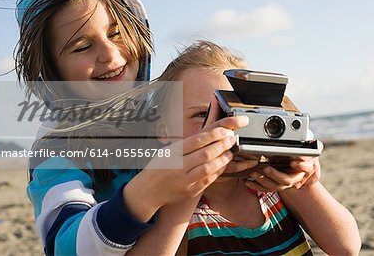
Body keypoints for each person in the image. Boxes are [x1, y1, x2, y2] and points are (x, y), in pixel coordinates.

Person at [17, 0, 252, 255]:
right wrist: (143, 195)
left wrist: (276, 168)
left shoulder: (163, 118)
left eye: (116, 33)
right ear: (53, 72)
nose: (109, 54)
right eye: (82, 47)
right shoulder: (57, 151)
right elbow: (64, 245)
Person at [128, 40, 361, 255]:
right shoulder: (174, 208)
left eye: (235, 113)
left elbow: (345, 248)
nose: (222, 126)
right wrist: (194, 178)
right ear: (163, 129)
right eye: (203, 114)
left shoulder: (272, 185)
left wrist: (305, 184)